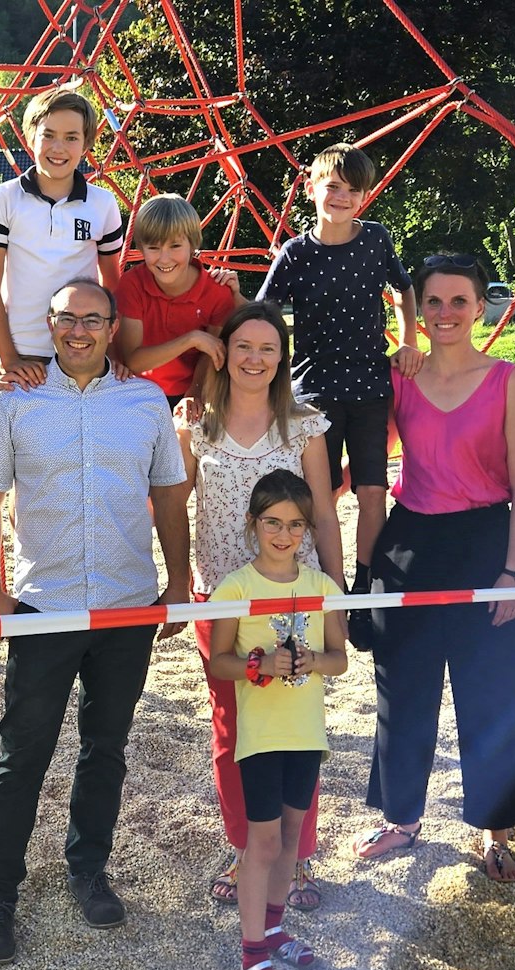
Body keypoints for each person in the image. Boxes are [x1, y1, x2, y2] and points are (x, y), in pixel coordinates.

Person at [0, 278, 190, 964]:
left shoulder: (145, 401)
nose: (80, 331)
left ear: (112, 327)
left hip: (128, 601)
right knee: (22, 754)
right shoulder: (16, 402)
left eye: (93, 319)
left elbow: (169, 495)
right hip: (45, 605)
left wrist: (179, 580)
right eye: (68, 318)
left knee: (106, 747)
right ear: (50, 322)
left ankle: (89, 869)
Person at [353, 254, 515, 881]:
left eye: (459, 301)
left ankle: (496, 830)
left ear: (480, 307)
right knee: (402, 690)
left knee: (491, 694)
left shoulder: (507, 380)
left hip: (485, 544)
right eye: (432, 301)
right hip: (410, 543)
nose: (445, 313)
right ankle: (402, 819)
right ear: (418, 308)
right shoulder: (399, 375)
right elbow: (369, 462)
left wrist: (514, 572)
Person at [173, 301, 345, 911]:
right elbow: (171, 504)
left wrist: (336, 593)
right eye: (243, 345)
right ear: (223, 353)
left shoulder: (305, 426)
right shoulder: (195, 425)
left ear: (282, 357)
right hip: (221, 596)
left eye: (268, 348)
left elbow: (324, 513)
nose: (255, 358)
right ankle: (246, 846)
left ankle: (295, 856)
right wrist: (175, 582)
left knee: (296, 727)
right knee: (233, 724)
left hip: (294, 594)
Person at [255, 142, 421, 646]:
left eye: (352, 190)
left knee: (372, 491)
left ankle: (366, 586)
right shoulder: (296, 253)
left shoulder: (375, 240)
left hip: (370, 387)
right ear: (311, 189)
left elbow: (404, 288)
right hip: (315, 394)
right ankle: (331, 585)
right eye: (332, 187)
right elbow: (263, 311)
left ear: (364, 197)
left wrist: (409, 339)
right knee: (319, 498)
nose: (341, 197)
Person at [203, 469, 347, 970]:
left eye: (295, 525)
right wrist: (258, 666)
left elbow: (340, 659)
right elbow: (219, 661)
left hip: (305, 733)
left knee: (290, 836)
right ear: (252, 523)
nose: (284, 535)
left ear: (307, 529)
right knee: (260, 843)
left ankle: (273, 928)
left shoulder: (321, 587)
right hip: (261, 736)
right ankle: (251, 956)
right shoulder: (236, 588)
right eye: (273, 523)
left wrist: (313, 660)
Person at [0, 86, 126, 385]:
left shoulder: (103, 203)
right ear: (30, 137)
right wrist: (8, 359)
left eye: (71, 137)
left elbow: (112, 286)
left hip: (84, 352)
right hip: (24, 354)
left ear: (86, 143)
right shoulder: (4, 198)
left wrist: (114, 354)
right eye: (48, 135)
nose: (58, 147)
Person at [115, 193, 242, 410]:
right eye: (154, 248)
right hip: (138, 389)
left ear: (192, 245)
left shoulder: (216, 291)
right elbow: (133, 361)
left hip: (192, 389)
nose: (164, 259)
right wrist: (191, 339)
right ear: (141, 248)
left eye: (175, 246)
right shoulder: (132, 284)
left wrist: (195, 392)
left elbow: (211, 353)